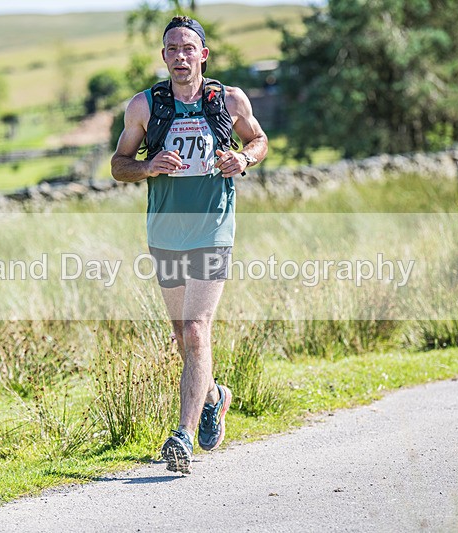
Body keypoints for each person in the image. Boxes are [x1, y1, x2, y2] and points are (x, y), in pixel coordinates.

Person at [110, 15, 268, 474]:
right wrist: (149, 166)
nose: (180, 57)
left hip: (214, 230)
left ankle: (181, 435)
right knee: (181, 336)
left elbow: (258, 141)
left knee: (197, 330)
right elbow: (119, 165)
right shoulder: (144, 107)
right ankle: (216, 397)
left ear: (203, 54)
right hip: (165, 234)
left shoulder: (228, 100)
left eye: (188, 48)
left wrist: (242, 158)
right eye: (172, 49)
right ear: (164, 58)